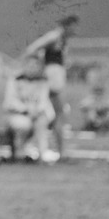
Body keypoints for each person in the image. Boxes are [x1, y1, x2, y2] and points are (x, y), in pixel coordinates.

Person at [20, 14, 79, 159]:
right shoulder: (54, 36)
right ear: (67, 25)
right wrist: (35, 67)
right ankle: (59, 150)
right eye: (74, 26)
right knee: (56, 114)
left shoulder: (63, 39)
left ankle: (55, 149)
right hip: (52, 80)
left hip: (56, 78)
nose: (75, 30)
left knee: (53, 115)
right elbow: (32, 48)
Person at [1, 56, 58, 163]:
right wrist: (26, 110)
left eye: (35, 65)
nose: (32, 68)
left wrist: (36, 111)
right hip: (18, 114)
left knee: (41, 122)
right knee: (24, 124)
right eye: (30, 65)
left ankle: (42, 153)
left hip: (37, 115)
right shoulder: (15, 80)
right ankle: (19, 154)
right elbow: (10, 101)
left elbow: (43, 101)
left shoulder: (43, 81)